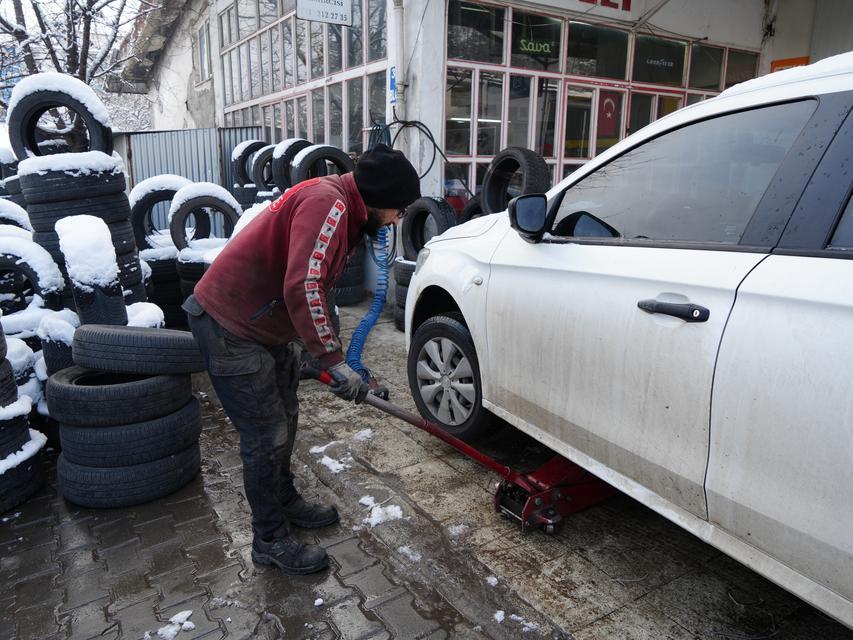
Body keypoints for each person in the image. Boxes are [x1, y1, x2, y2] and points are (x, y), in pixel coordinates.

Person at [183, 144, 421, 574]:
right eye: (396, 210)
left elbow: (312, 284)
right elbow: (304, 285)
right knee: (264, 436)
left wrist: (315, 347)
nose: (395, 220)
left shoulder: (344, 205)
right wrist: (332, 359)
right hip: (230, 326)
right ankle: (269, 539)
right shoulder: (327, 204)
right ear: (377, 200)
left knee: (286, 419)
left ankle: (285, 500)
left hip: (264, 326)